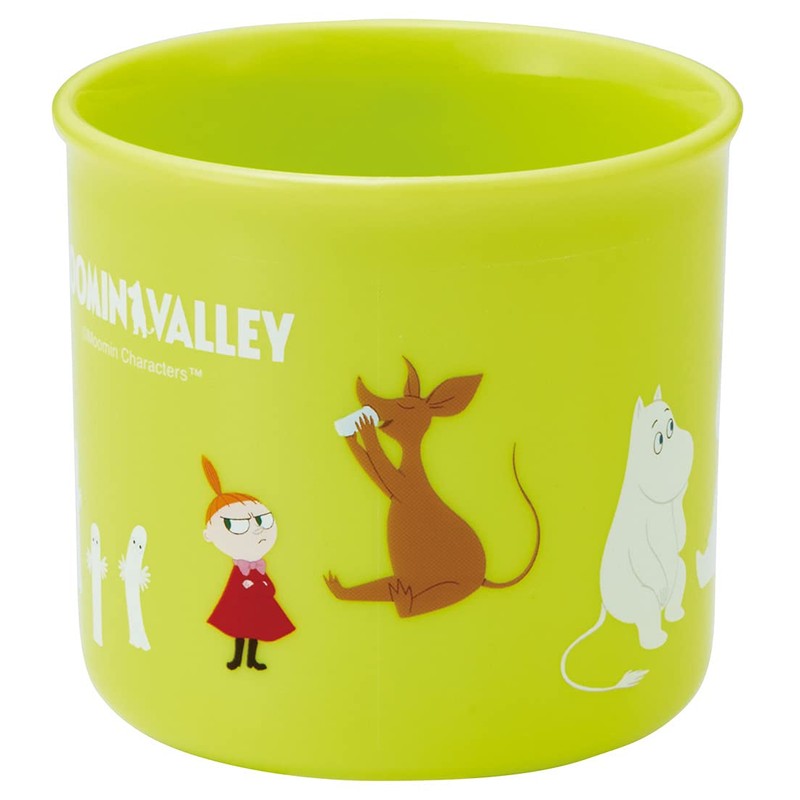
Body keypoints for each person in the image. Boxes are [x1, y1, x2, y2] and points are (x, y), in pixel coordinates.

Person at [201, 456, 295, 670]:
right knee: (241, 632)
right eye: (239, 525)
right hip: (241, 608)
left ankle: (252, 660)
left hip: (257, 607)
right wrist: (249, 586)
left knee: (254, 634)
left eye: (263, 520)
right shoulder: (240, 569)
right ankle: (237, 659)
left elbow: (270, 587)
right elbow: (233, 590)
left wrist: (259, 586)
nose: (257, 530)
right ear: (209, 535)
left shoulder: (258, 567)